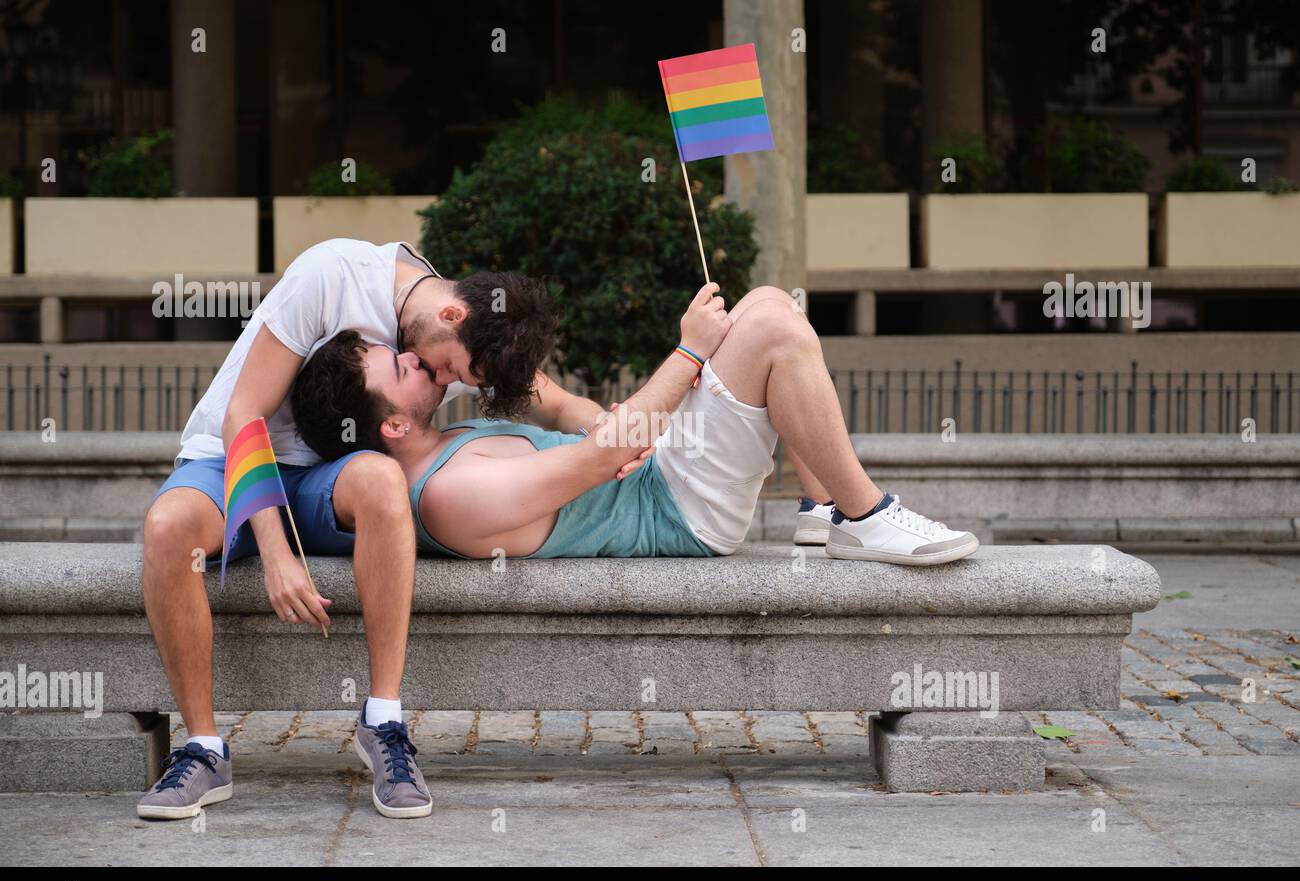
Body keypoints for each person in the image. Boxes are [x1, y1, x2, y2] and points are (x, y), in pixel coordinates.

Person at [137, 238, 608, 821]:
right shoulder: (333, 275)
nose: (442, 383)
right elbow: (244, 414)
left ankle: (382, 721)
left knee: (385, 479)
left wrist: (615, 431)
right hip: (232, 457)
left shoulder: (466, 339)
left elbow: (559, 405)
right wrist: (277, 555)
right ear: (451, 315)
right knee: (166, 526)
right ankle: (204, 750)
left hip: (324, 478)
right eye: (450, 370)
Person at [292, 283, 978, 566]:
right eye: (402, 368)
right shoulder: (448, 495)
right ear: (387, 428)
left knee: (767, 301)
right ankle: (865, 512)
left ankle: (820, 506)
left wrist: (613, 429)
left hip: (660, 466)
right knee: (768, 322)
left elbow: (564, 407)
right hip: (682, 511)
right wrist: (685, 355)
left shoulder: (449, 435)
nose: (416, 358)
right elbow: (591, 462)